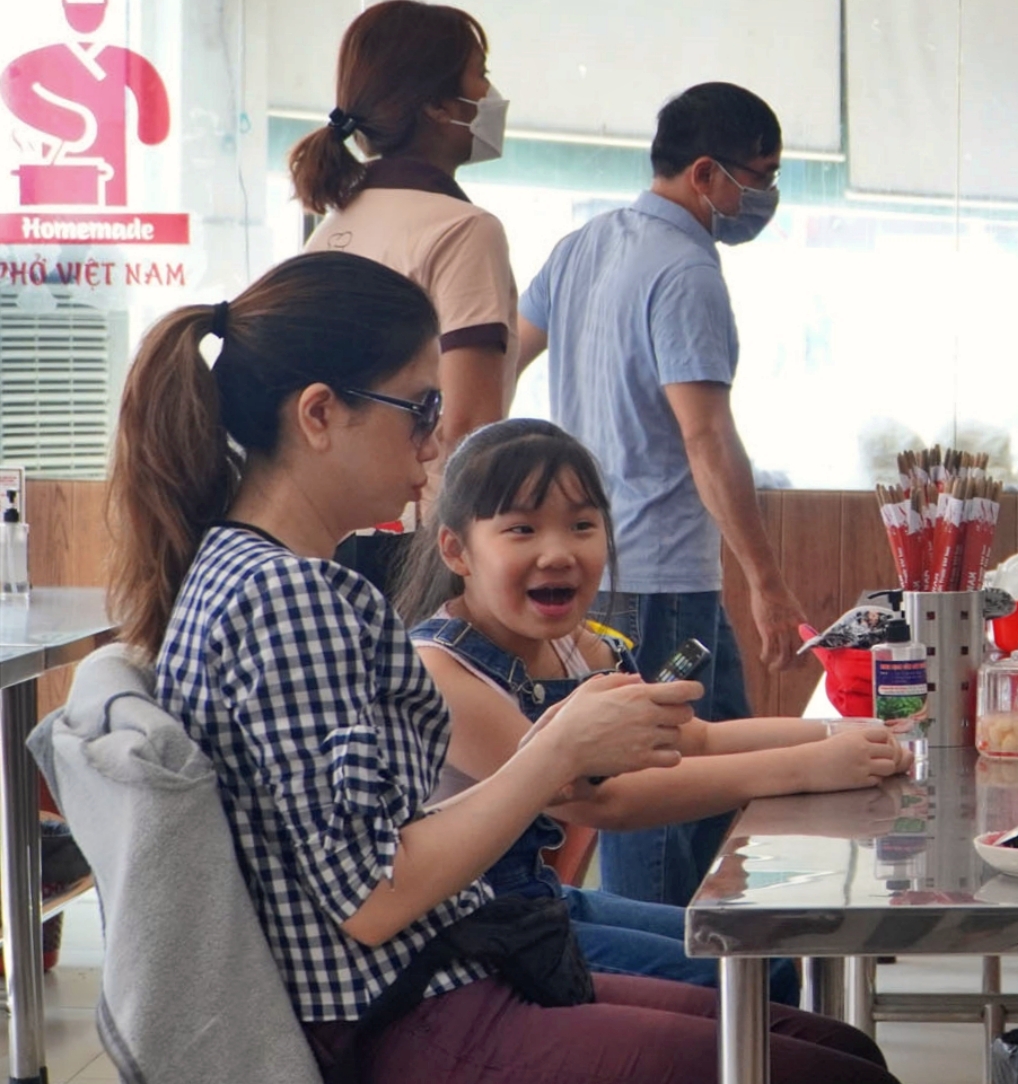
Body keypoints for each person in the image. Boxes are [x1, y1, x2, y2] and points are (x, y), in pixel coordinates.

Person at [107, 251, 897, 1083]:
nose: (437, 436)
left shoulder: (251, 571)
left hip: (445, 970)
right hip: (401, 1011)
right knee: (830, 1070)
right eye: (420, 407)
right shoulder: (289, 596)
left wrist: (559, 741)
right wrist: (555, 752)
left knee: (834, 1049)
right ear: (318, 415)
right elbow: (374, 899)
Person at [397, 418, 911, 999]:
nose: (559, 552)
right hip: (469, 930)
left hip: (540, 899)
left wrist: (842, 731)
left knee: (771, 960)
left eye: (583, 525)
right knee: (746, 979)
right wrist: (808, 769)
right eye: (521, 529)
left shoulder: (574, 645)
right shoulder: (439, 669)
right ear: (456, 551)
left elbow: (696, 739)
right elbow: (604, 802)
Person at [518, 82, 809, 908]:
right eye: (762, 177)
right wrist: (768, 581)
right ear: (707, 174)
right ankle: (662, 971)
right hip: (657, 585)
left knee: (719, 776)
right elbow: (706, 438)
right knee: (653, 791)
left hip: (611, 569)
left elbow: (504, 356)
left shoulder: (583, 245)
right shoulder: (685, 272)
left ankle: (728, 959)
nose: (767, 198)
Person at [292, 0, 520, 588]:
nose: (491, 92)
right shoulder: (462, 229)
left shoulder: (332, 226)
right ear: (439, 104)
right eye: (480, 74)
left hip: (332, 529)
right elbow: (469, 422)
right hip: (424, 541)